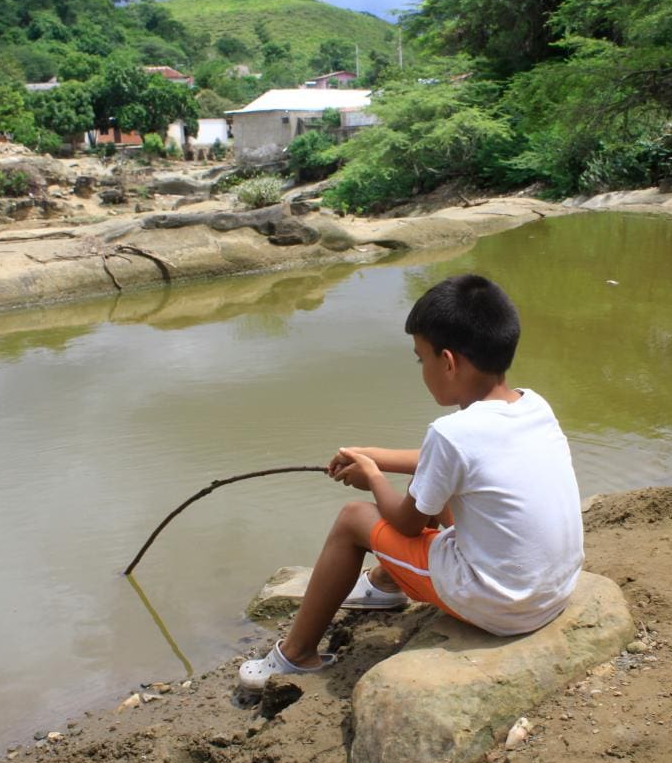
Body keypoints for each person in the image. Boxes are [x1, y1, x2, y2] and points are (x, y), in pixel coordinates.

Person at [239, 274, 584, 690]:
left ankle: (295, 654)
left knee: (352, 520)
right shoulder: (533, 405)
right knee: (445, 489)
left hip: (503, 606)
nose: (421, 369)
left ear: (449, 362)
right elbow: (453, 463)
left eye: (421, 359)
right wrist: (372, 454)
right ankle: (387, 582)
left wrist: (372, 478)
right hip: (553, 591)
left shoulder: (451, 434)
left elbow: (405, 524)